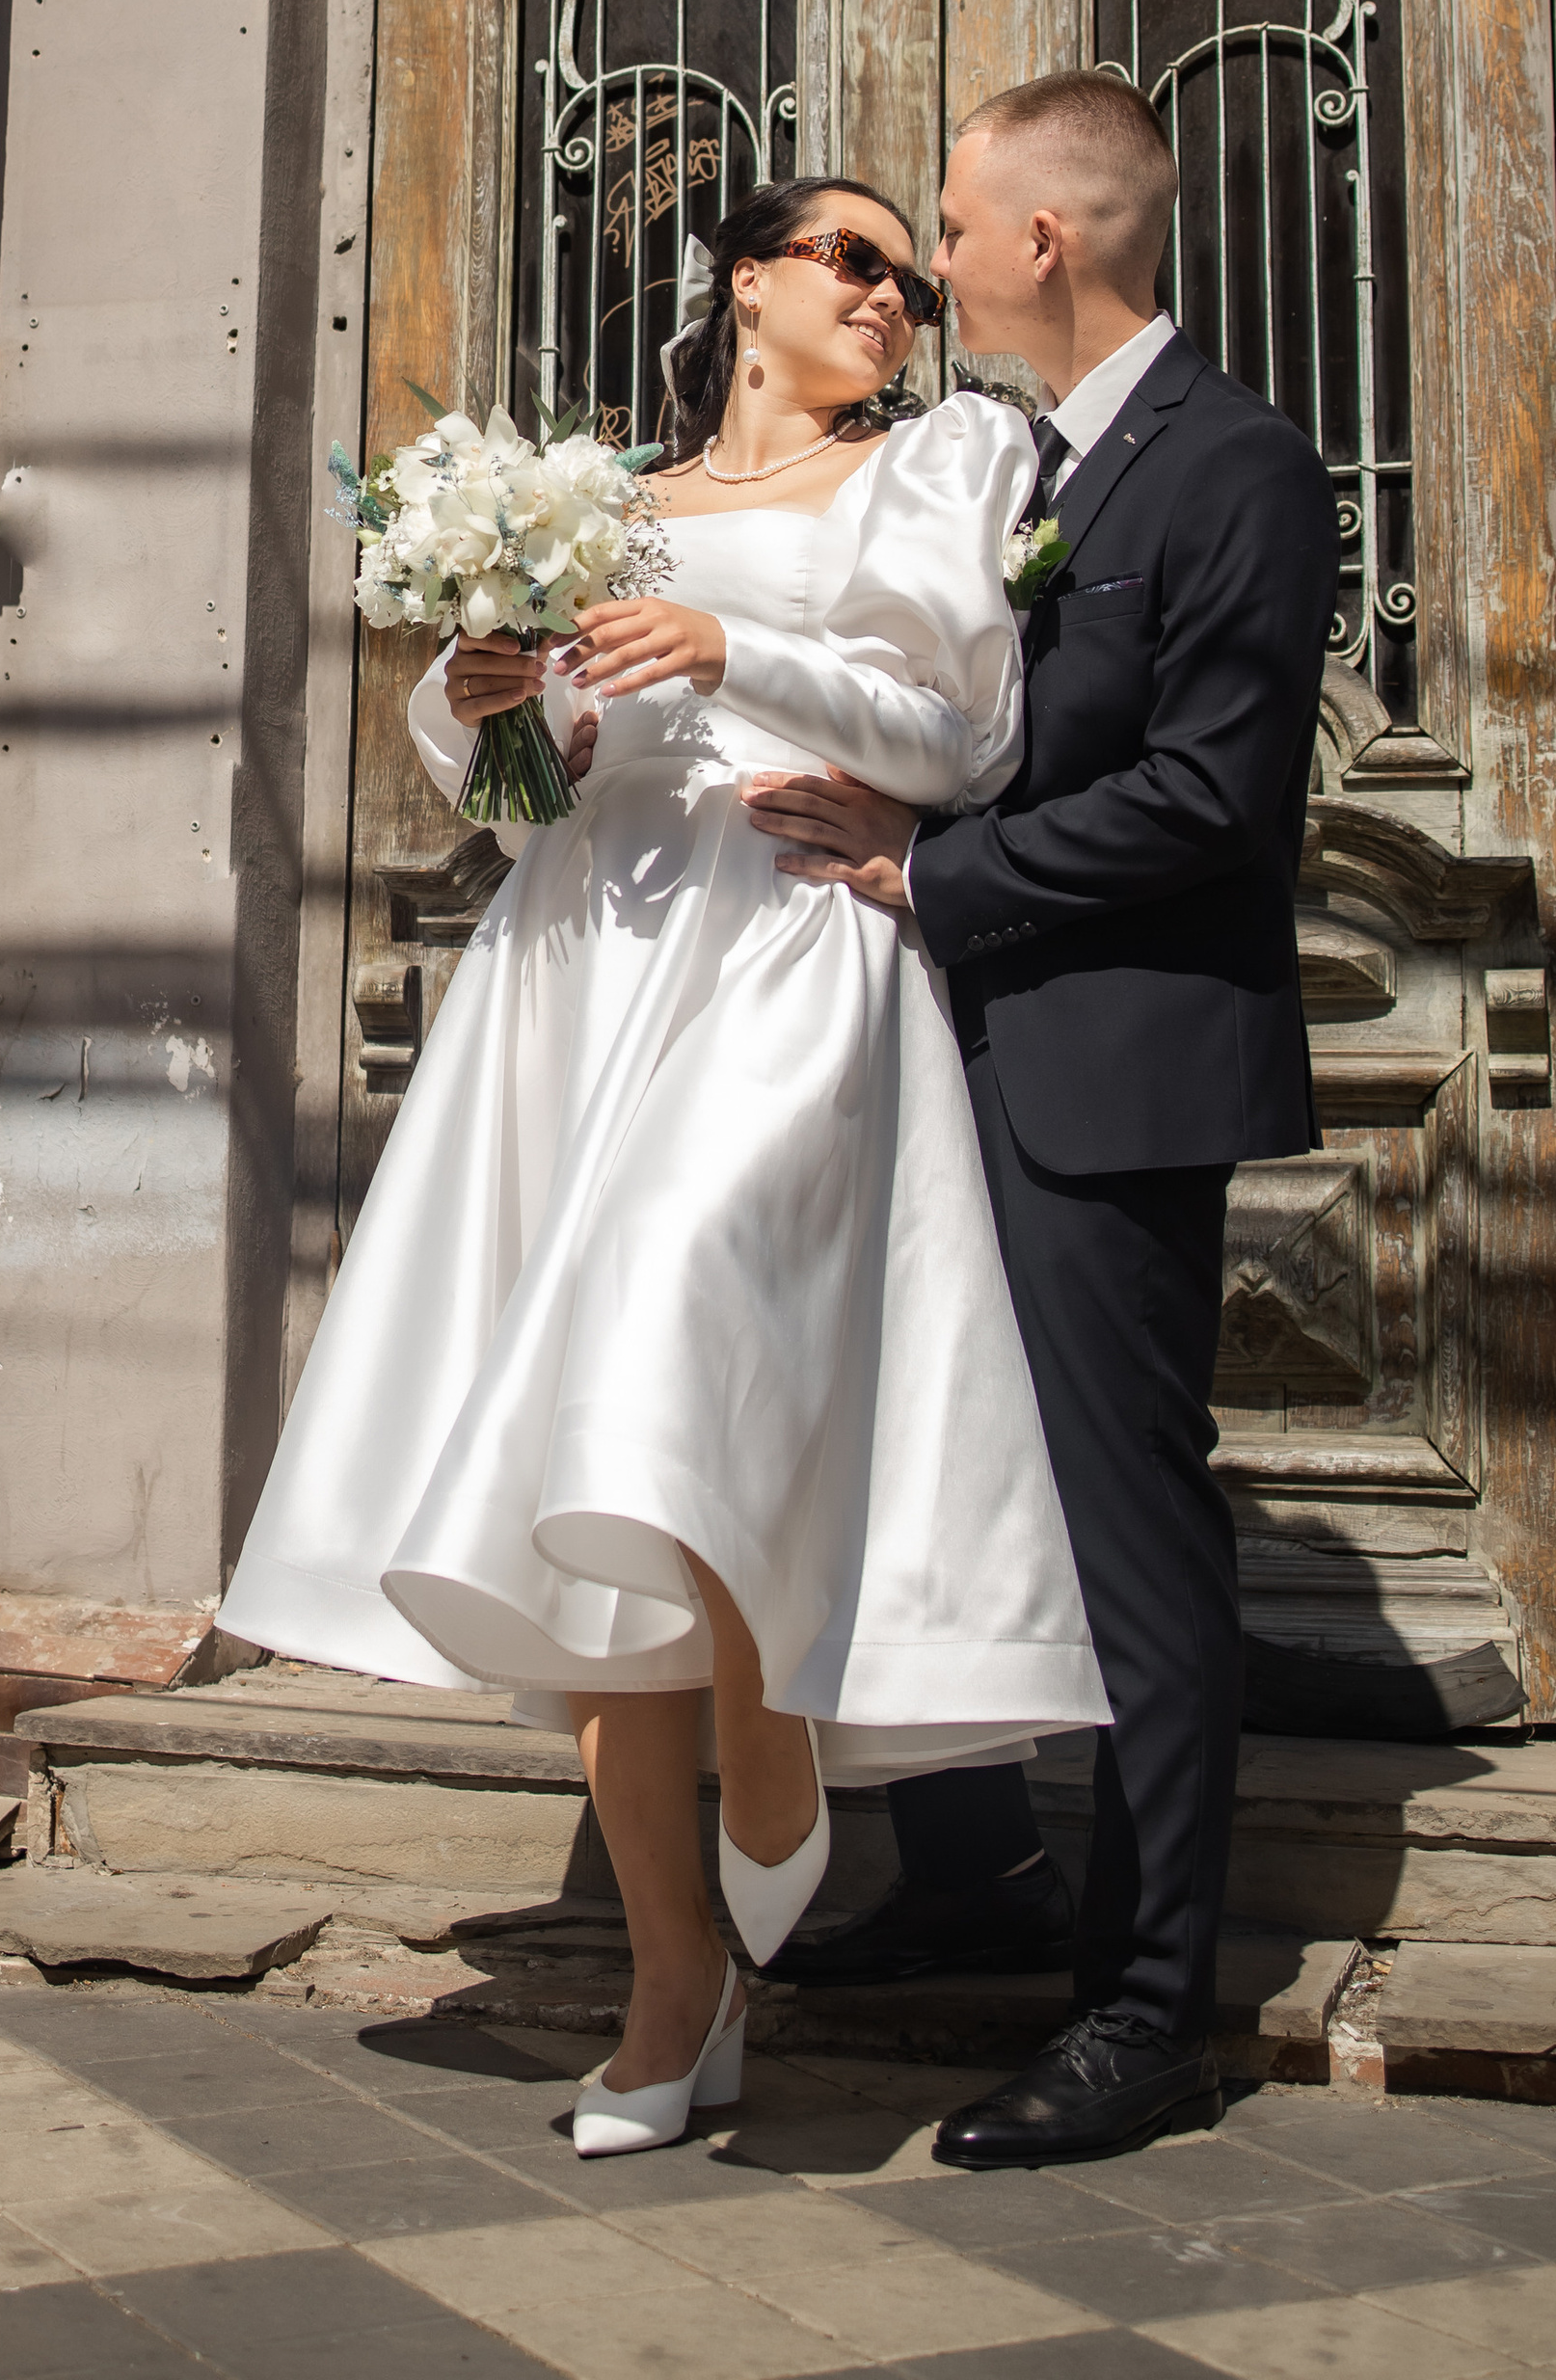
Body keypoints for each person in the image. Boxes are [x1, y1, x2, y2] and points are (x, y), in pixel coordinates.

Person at [222, 174, 1107, 2159]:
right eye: (850, 262)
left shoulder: (939, 464)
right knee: (570, 1458)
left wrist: (734, 651)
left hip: (790, 943)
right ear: (748, 287)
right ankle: (670, 1978)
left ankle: (773, 1732)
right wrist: (472, 711)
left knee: (664, 1316)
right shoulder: (605, 493)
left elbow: (960, 734)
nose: (889, 297)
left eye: (905, 272)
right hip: (581, 961)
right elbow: (524, 776)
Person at [747, 74, 1338, 2170]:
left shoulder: (1233, 466)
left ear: (1043, 247)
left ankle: (1150, 2005)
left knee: (1119, 1529)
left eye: (949, 226)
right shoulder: (990, 466)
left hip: (1099, 1064)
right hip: (923, 1044)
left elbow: (1208, 798)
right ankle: (973, 1875)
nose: (918, 261)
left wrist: (929, 879)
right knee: (908, 1460)